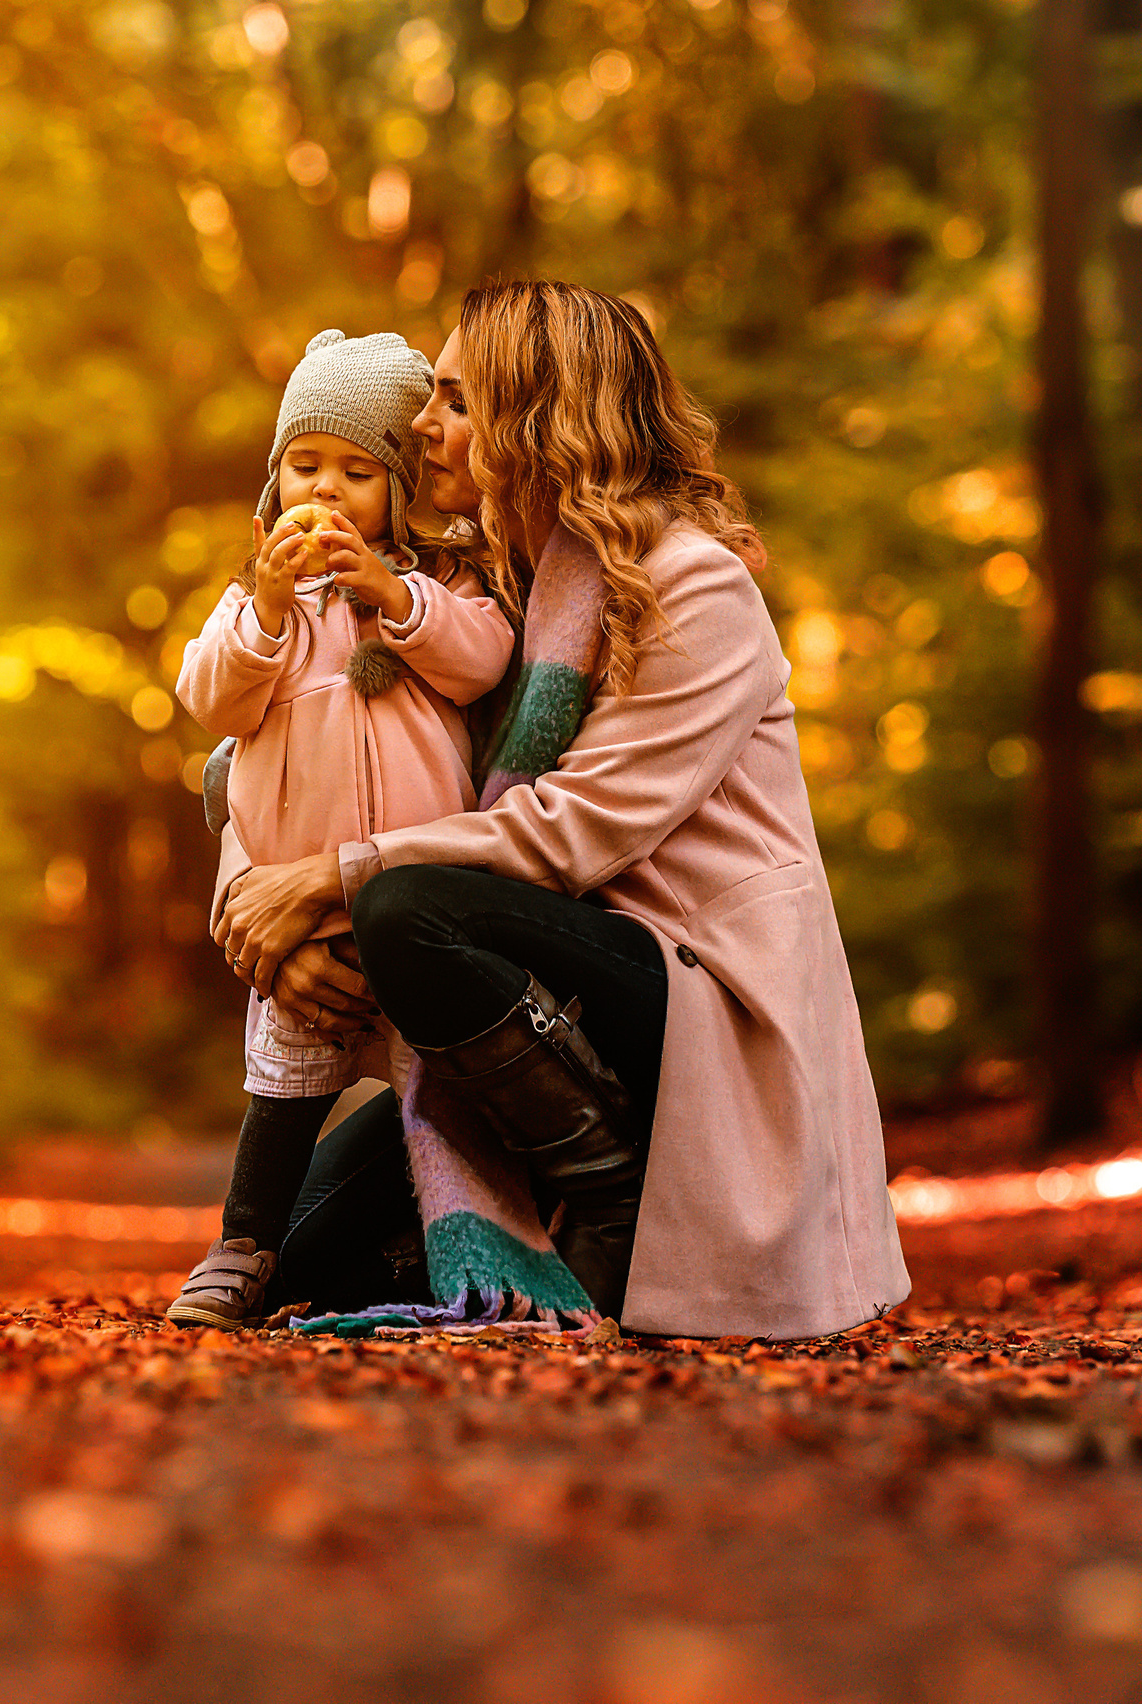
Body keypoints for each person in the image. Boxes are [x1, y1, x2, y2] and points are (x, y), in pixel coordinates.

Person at [210, 281, 909, 1339]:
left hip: (688, 983)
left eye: (453, 399)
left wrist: (332, 879)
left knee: (410, 909)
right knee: (302, 1261)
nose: (422, 427)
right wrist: (265, 925)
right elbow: (260, 755)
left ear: (535, 419)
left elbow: (573, 831)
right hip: (550, 965)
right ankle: (537, 1208)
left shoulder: (692, 587)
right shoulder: (495, 591)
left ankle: (610, 1191)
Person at [164, 329, 518, 1329]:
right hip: (305, 912)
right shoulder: (258, 612)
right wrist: (270, 612)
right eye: (304, 465)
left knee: (435, 1097)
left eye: (358, 472)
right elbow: (210, 700)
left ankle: (464, 1244)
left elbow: (483, 661)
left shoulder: (438, 592)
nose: (325, 489)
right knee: (286, 1089)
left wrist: (391, 592)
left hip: (409, 901)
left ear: (400, 492)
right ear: (272, 483)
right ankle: (240, 1248)